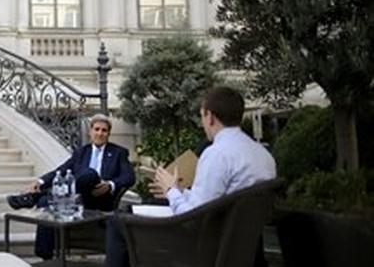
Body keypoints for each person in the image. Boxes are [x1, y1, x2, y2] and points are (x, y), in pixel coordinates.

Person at [104, 86, 277, 267]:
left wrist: (171, 190)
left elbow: (193, 218)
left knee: (118, 222)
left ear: (209, 116)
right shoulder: (263, 154)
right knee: (143, 208)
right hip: (235, 243)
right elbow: (214, 201)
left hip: (205, 247)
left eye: (202, 116)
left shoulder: (217, 153)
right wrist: (178, 190)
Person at [25, 113, 135, 261]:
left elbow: (129, 177)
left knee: (90, 174)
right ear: (90, 132)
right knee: (45, 202)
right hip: (78, 200)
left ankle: (47, 196)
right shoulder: (82, 152)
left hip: (101, 199)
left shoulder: (118, 153)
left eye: (104, 130)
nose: (100, 133)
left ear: (108, 133)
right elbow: (61, 170)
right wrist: (40, 182)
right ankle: (45, 257)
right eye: (97, 129)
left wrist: (110, 185)